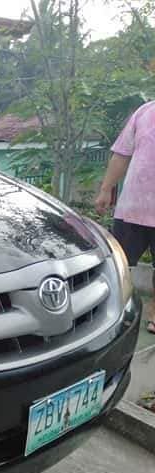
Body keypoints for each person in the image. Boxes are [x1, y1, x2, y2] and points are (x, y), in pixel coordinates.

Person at [95, 101, 155, 334]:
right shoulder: (144, 112)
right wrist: (105, 189)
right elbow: (121, 154)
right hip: (132, 208)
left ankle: (153, 313)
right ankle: (112, 311)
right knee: (116, 263)